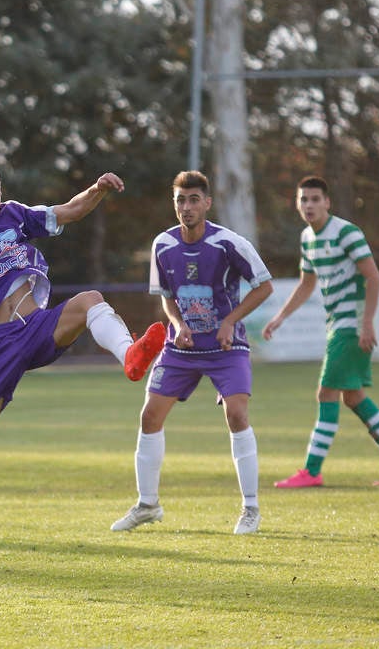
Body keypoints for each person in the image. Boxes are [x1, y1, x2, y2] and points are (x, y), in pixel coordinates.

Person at [0, 158, 166, 568]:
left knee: (89, 300)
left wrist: (98, 189)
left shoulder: (15, 215)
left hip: (35, 327)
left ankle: (130, 355)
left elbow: (68, 211)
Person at [110, 170, 273, 535]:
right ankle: (147, 505)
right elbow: (167, 298)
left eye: (194, 199)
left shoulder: (229, 243)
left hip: (225, 346)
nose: (186, 207)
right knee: (150, 416)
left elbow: (264, 287)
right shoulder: (162, 245)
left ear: (207, 203)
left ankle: (250, 509)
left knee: (236, 413)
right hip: (181, 347)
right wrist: (178, 323)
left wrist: (230, 320)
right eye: (180, 200)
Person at [262, 175, 379, 488]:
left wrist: (367, 323)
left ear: (327, 202)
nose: (309, 205)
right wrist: (280, 317)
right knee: (353, 397)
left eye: (315, 199)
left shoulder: (346, 232)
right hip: (338, 325)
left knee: (326, 393)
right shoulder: (308, 238)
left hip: (352, 325)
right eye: (303, 199)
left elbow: (373, 278)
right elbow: (307, 284)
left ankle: (312, 470)